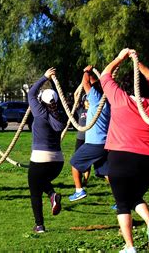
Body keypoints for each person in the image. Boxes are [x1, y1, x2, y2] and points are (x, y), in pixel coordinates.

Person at [100, 48, 149, 252]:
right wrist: (138, 61)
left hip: (122, 158)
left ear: (124, 87)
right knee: (134, 196)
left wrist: (119, 58)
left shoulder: (119, 100)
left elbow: (105, 75)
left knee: (122, 203)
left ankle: (129, 246)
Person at [27, 68, 66, 233]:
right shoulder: (60, 115)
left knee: (34, 189)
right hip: (58, 162)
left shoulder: (40, 112)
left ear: (42, 101)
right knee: (41, 181)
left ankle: (39, 225)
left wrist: (44, 77)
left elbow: (31, 93)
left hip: (40, 159)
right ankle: (52, 195)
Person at [69, 65, 111, 202]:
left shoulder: (95, 99)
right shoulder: (108, 102)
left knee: (74, 163)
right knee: (105, 172)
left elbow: (85, 83)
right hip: (105, 144)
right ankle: (120, 197)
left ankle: (79, 190)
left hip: (94, 143)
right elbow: (92, 83)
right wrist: (93, 73)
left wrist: (86, 71)